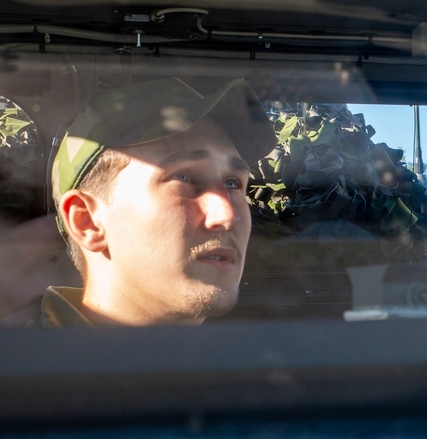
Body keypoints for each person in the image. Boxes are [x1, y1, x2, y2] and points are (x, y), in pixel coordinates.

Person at [41, 78, 276, 326]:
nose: (228, 215)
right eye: (184, 178)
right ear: (87, 221)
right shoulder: (27, 363)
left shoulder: (248, 357)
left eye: (233, 183)